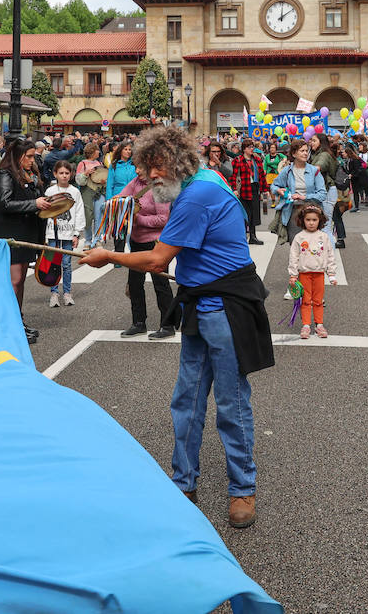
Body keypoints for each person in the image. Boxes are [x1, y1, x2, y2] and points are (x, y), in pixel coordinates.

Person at [78, 125, 273, 529]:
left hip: (225, 310)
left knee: (231, 405)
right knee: (186, 400)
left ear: (176, 161)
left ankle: (242, 489)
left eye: (154, 167)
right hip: (201, 306)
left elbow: (156, 260)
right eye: (145, 169)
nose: (150, 177)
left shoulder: (198, 194)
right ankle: (184, 482)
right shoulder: (201, 181)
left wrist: (107, 256)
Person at [0, 140, 50, 343]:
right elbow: (4, 203)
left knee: (20, 280)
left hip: (25, 232)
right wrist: (34, 203)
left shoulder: (29, 174)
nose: (33, 161)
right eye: (29, 156)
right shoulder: (4, 174)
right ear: (17, 156)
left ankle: (17, 320)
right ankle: (10, 325)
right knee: (14, 281)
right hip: (9, 234)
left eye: (33, 156)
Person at [113, 166, 177, 339]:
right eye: (135, 166)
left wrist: (137, 218)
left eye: (141, 167)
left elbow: (163, 219)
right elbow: (120, 199)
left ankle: (168, 325)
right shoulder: (135, 183)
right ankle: (138, 322)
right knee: (134, 283)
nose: (137, 171)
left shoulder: (160, 187)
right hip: (136, 240)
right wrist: (115, 205)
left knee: (161, 284)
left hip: (156, 243)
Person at [287, 203, 338, 339]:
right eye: (308, 220)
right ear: (302, 220)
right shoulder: (299, 237)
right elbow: (293, 256)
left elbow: (330, 255)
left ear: (320, 221)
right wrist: (293, 274)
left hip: (319, 274)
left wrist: (331, 273)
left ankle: (319, 324)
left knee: (318, 300)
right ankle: (305, 325)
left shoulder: (324, 237)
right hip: (304, 274)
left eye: (314, 220)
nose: (311, 223)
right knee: (305, 300)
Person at [44, 160, 84, 308]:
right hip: (53, 233)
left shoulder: (75, 192)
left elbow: (79, 212)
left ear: (71, 174)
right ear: (55, 174)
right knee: (53, 264)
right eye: (61, 173)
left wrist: (76, 234)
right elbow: (45, 212)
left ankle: (67, 293)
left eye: (67, 173)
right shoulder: (50, 191)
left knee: (66, 264)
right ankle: (54, 293)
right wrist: (45, 236)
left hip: (68, 233)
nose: (64, 176)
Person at [271, 140, 327, 236]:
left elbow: (322, 194)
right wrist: (278, 190)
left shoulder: (314, 171)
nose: (305, 153)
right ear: (294, 154)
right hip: (292, 211)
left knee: (311, 245)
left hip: (311, 212)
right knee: (295, 242)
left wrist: (304, 197)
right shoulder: (287, 171)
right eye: (302, 151)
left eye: (306, 151)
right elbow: (274, 185)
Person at [229, 138, 267, 245]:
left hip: (254, 188)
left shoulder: (257, 159)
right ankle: (242, 237)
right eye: (250, 147)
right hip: (244, 189)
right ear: (244, 149)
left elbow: (262, 176)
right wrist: (234, 189)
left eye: (253, 147)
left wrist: (265, 189)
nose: (252, 149)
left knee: (254, 214)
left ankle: (253, 236)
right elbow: (233, 176)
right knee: (244, 214)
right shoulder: (238, 160)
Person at [75, 142, 106, 242]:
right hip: (87, 193)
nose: (99, 152)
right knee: (87, 217)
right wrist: (86, 173)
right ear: (92, 151)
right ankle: (88, 240)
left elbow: (102, 178)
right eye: (97, 150)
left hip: (99, 192)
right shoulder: (82, 163)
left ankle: (97, 239)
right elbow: (79, 181)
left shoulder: (99, 163)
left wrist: (103, 181)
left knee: (99, 216)